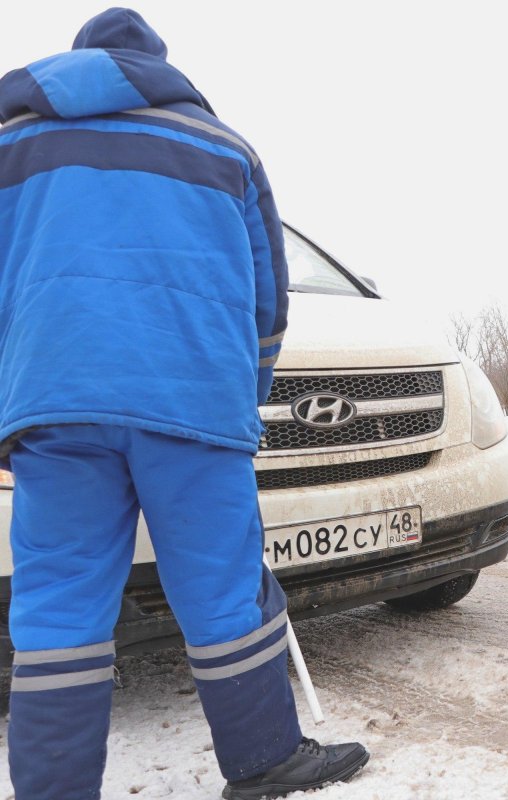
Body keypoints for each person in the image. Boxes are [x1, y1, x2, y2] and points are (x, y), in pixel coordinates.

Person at [0, 9, 367, 798]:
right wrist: (247, 395)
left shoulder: (12, 145)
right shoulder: (222, 148)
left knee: (59, 606)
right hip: (193, 399)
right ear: (160, 66)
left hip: (54, 403)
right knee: (223, 588)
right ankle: (267, 760)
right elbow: (267, 302)